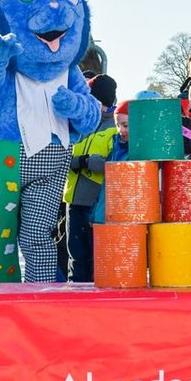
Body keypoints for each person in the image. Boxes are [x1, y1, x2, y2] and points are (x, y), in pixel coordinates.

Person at [64, 74, 117, 282]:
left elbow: (112, 165)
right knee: (75, 256)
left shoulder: (113, 128)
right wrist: (81, 161)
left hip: (96, 202)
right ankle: (75, 295)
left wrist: (87, 162)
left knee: (96, 257)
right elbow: (63, 156)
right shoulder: (78, 126)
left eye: (97, 102)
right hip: (72, 199)